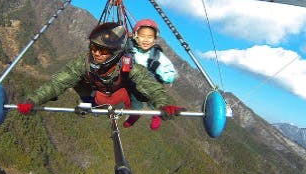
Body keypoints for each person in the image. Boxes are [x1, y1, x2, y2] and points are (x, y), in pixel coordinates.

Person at [16, 22, 182, 128]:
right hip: (97, 94)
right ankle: (89, 102)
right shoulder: (83, 62)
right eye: (94, 47)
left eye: (102, 49)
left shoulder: (128, 65)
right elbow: (56, 83)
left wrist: (163, 104)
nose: (96, 53)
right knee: (75, 78)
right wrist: (33, 100)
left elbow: (152, 87)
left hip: (120, 95)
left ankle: (132, 110)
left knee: (139, 88)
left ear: (115, 52)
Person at [124, 19, 177, 130]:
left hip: (152, 88)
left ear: (154, 39)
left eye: (150, 37)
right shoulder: (129, 50)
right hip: (135, 88)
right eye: (142, 36)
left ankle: (156, 115)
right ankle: (135, 114)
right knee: (135, 103)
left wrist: (158, 68)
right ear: (135, 36)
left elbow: (171, 75)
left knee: (155, 103)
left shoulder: (157, 55)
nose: (146, 40)